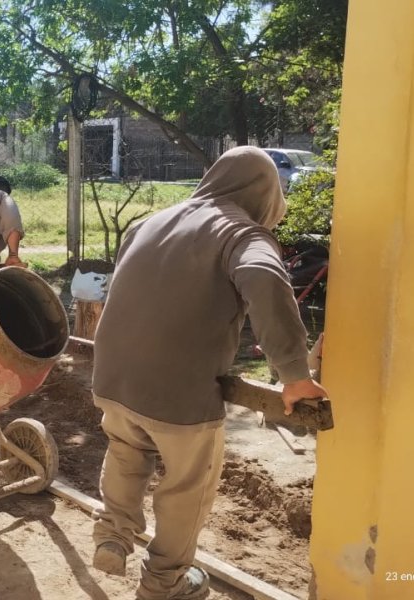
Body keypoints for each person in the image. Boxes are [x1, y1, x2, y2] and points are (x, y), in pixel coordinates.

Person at [90, 146, 328, 600]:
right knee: (186, 487)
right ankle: (164, 583)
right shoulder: (243, 234)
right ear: (265, 193)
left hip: (113, 378)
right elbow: (262, 276)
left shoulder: (151, 222)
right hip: (180, 395)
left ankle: (112, 537)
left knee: (126, 451)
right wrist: (294, 373)